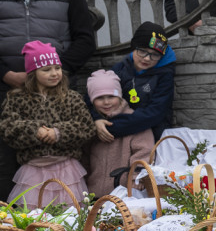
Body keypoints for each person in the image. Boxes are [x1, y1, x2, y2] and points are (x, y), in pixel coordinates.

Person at [0, 0, 96, 198]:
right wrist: (7, 74)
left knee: (66, 168)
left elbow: (84, 39)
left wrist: (51, 73)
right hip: (6, 89)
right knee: (5, 167)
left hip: (57, 94)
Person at [0, 41, 95, 207]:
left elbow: (86, 127)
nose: (54, 73)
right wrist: (35, 131)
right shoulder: (18, 99)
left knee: (70, 215)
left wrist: (58, 133)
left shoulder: (71, 97)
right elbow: (8, 127)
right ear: (32, 73)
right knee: (34, 216)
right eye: (46, 70)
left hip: (67, 168)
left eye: (57, 68)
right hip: (33, 170)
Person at [95, 22, 176, 142]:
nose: (147, 58)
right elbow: (94, 94)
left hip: (151, 135)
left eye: (154, 55)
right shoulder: (121, 69)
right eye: (142, 51)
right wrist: (96, 120)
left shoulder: (164, 75)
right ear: (133, 47)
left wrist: (112, 127)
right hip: (117, 132)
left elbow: (155, 113)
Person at [85, 69, 155, 198]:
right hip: (94, 190)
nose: (106, 102)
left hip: (125, 191)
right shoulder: (90, 123)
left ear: (119, 96)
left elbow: (144, 151)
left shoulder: (133, 121)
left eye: (111, 96)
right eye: (100, 98)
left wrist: (136, 177)